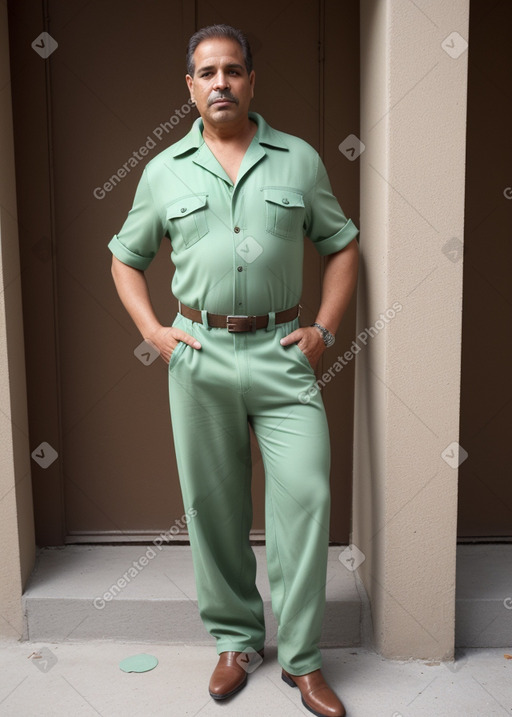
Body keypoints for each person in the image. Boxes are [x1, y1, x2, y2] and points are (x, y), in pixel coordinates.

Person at [108, 24, 358, 717]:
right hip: (199, 356)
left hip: (283, 354)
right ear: (189, 87)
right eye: (207, 72)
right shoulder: (165, 171)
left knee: (304, 498)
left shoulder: (300, 161)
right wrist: (156, 332)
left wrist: (326, 330)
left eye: (234, 71)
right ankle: (236, 640)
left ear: (253, 81)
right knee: (214, 510)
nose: (221, 82)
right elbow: (124, 258)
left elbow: (342, 245)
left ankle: (304, 660)